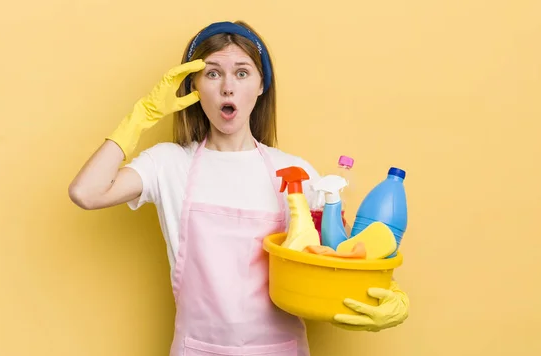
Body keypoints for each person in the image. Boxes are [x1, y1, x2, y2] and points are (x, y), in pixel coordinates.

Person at [69, 20, 409, 356]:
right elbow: (87, 192)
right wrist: (142, 116)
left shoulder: (294, 172)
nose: (227, 88)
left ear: (262, 86)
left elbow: (339, 259)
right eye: (213, 73)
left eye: (242, 73)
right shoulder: (169, 165)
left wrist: (388, 294)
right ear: (193, 87)